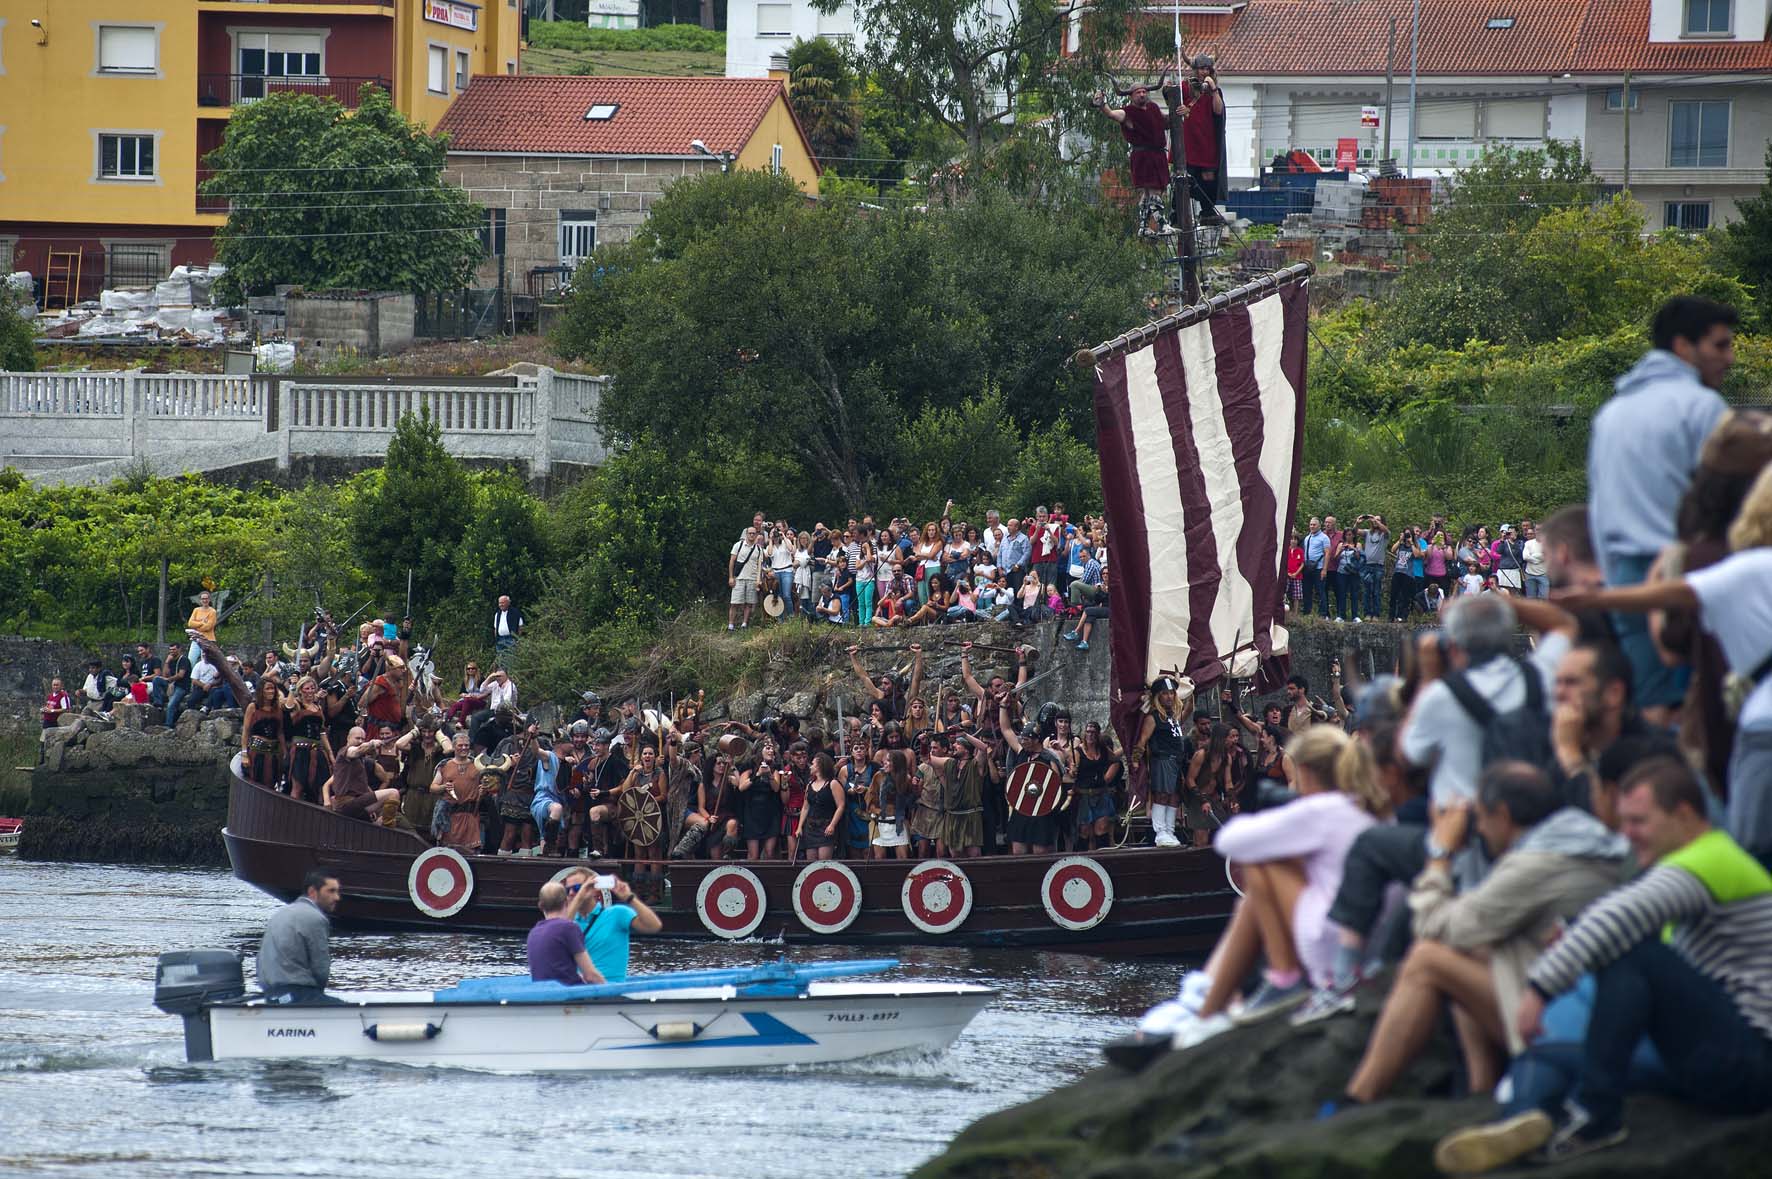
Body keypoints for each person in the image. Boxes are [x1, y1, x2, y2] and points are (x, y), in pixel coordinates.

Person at [1433, 757, 1772, 1171]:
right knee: (1544, 1054)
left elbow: (1619, 917)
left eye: (1639, 822)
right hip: (1713, 1054)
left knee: (1629, 950)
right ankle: (1516, 1125)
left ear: (1684, 814)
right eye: (1625, 821)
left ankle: (1596, 1115)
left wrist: (1540, 989)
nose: (1626, 834)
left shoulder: (1711, 859)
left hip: (1753, 1060)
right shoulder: (1690, 868)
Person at [1335, 762, 1629, 1110]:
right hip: (1585, 1006)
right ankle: (1480, 1091)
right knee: (1468, 948)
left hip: (1561, 1026)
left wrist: (1440, 852)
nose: (1480, 828)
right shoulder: (1581, 839)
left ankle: (1356, 1099)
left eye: (1482, 816)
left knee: (1428, 958)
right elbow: (1471, 923)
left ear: (1502, 815)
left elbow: (1431, 923)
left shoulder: (1536, 865)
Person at [1556, 521, 1772, 866]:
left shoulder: (1755, 568)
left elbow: (1678, 599)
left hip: (1761, 725)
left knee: (1751, 848)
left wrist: (1599, 597)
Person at [1179, 726, 1388, 1038]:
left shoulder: (1322, 809)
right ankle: (1214, 999)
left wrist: (1290, 810)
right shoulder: (1369, 806)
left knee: (1262, 862)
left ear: (1303, 769)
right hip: (1371, 948)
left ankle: (1276, 980)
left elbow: (1230, 841)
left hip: (1329, 949)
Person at [1588, 296, 1735, 717]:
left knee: (1651, 707)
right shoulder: (1703, 408)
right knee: (1699, 713)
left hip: (1625, 578)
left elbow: (1599, 510)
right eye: (1720, 346)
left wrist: (1612, 580)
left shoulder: (1612, 412)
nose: (1730, 358)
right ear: (1683, 347)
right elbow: (1727, 507)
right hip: (1686, 579)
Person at [1095, 80, 1171, 232]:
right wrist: (1102, 104)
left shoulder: (1153, 108)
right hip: (1143, 157)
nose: (1142, 94)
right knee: (1151, 192)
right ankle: (1161, 225)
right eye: (1138, 92)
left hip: (1158, 155)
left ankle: (1144, 227)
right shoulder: (1127, 112)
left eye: (1144, 91)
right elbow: (1111, 114)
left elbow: (1165, 122)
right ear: (1131, 96)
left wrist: (1180, 110)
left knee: (1151, 194)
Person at [258, 869, 343, 1004]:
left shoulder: (280, 914)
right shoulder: (315, 918)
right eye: (331, 891)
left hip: (271, 993)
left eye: (337, 892)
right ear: (312, 892)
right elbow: (320, 968)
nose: (337, 897)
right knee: (343, 1010)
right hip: (297, 993)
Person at [566, 869, 663, 983]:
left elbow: (654, 926)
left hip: (610, 991)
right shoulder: (569, 920)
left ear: (593, 889)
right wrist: (578, 899)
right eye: (567, 890)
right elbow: (557, 934)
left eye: (577, 888)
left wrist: (630, 898)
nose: (571, 893)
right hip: (578, 991)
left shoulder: (617, 913)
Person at [1167, 53, 1227, 226]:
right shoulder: (1184, 88)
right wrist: (1179, 106)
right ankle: (1178, 214)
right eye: (1201, 68)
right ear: (1195, 70)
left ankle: (1207, 211)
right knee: (1184, 178)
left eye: (1207, 68)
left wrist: (1213, 89)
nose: (1204, 71)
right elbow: (1170, 97)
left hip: (1207, 142)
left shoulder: (1213, 91)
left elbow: (1218, 111)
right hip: (1188, 141)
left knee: (1208, 177)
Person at [1133, 676, 1192, 848]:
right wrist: (1136, 761)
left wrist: (1191, 693)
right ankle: (1160, 832)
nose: (1169, 697)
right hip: (1162, 760)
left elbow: (1188, 711)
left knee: (1174, 797)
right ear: (1158, 696)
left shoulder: (1172, 717)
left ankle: (1170, 830)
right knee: (1162, 795)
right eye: (1165, 693)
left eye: (1172, 693)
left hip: (1176, 761)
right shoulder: (1153, 717)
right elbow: (1142, 740)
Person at [527, 881, 604, 986]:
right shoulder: (569, 928)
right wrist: (609, 990)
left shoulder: (533, 932)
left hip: (543, 995)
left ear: (541, 906)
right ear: (566, 902)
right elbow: (590, 975)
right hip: (570, 996)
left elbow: (556, 971)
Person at [323, 726, 401, 823]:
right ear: (348, 738)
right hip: (347, 803)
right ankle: (383, 828)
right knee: (393, 793)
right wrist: (372, 744)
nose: (360, 741)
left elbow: (364, 785)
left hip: (357, 802)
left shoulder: (359, 761)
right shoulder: (345, 751)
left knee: (388, 804)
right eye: (357, 738)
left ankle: (379, 826)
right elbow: (356, 751)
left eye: (363, 739)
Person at [728, 525, 765, 630]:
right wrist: (731, 577)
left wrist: (758, 580)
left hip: (752, 579)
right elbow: (732, 561)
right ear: (746, 534)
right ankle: (731, 625)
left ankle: (744, 624)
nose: (752, 535)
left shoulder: (759, 549)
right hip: (739, 578)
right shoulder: (738, 545)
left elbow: (759, 566)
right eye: (750, 533)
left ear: (756, 535)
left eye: (754, 533)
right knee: (734, 602)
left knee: (748, 603)